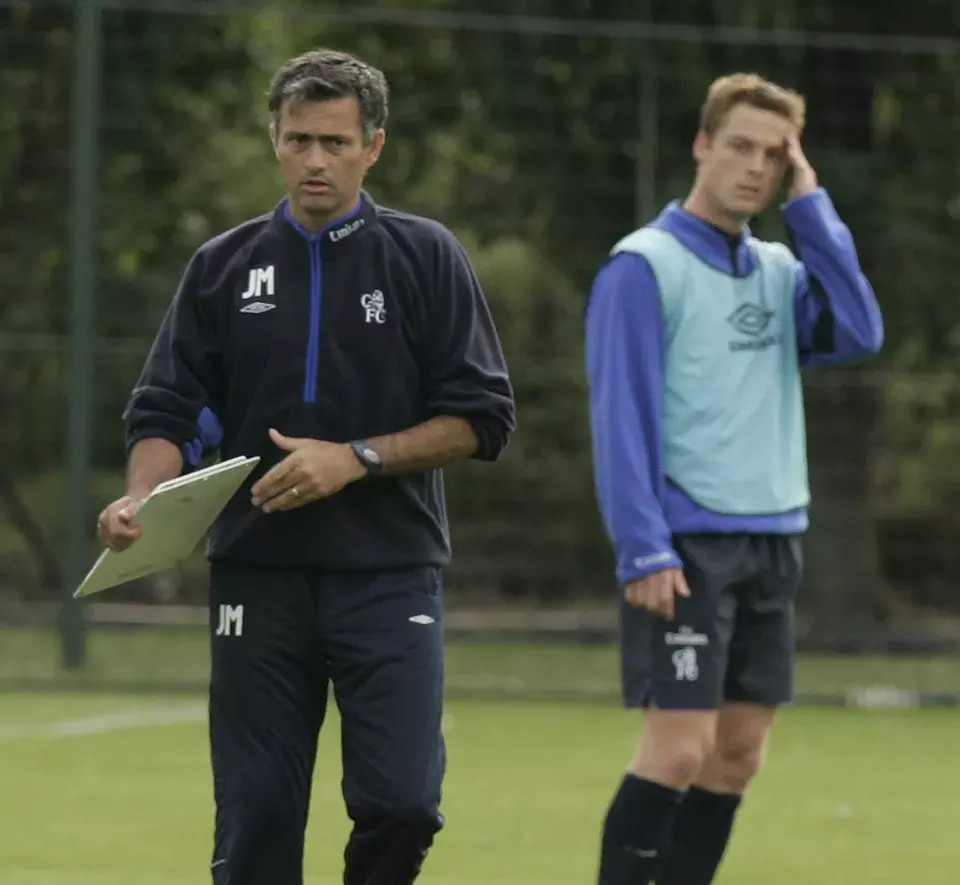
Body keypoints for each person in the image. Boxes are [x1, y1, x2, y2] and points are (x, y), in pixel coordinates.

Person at [96, 48, 515, 885]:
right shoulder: (220, 266)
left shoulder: (426, 257)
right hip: (258, 579)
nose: (315, 160)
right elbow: (170, 413)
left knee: (402, 803)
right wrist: (141, 495)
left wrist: (355, 458)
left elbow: (481, 418)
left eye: (334, 141)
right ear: (274, 141)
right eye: (298, 140)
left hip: (390, 576)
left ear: (374, 146)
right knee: (257, 817)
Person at [584, 73, 883, 885]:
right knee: (680, 747)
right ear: (702, 145)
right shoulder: (643, 267)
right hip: (687, 547)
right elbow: (621, 418)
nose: (755, 167)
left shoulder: (782, 270)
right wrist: (643, 546)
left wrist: (812, 208)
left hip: (774, 540)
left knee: (737, 757)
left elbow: (859, 329)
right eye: (740, 146)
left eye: (774, 156)